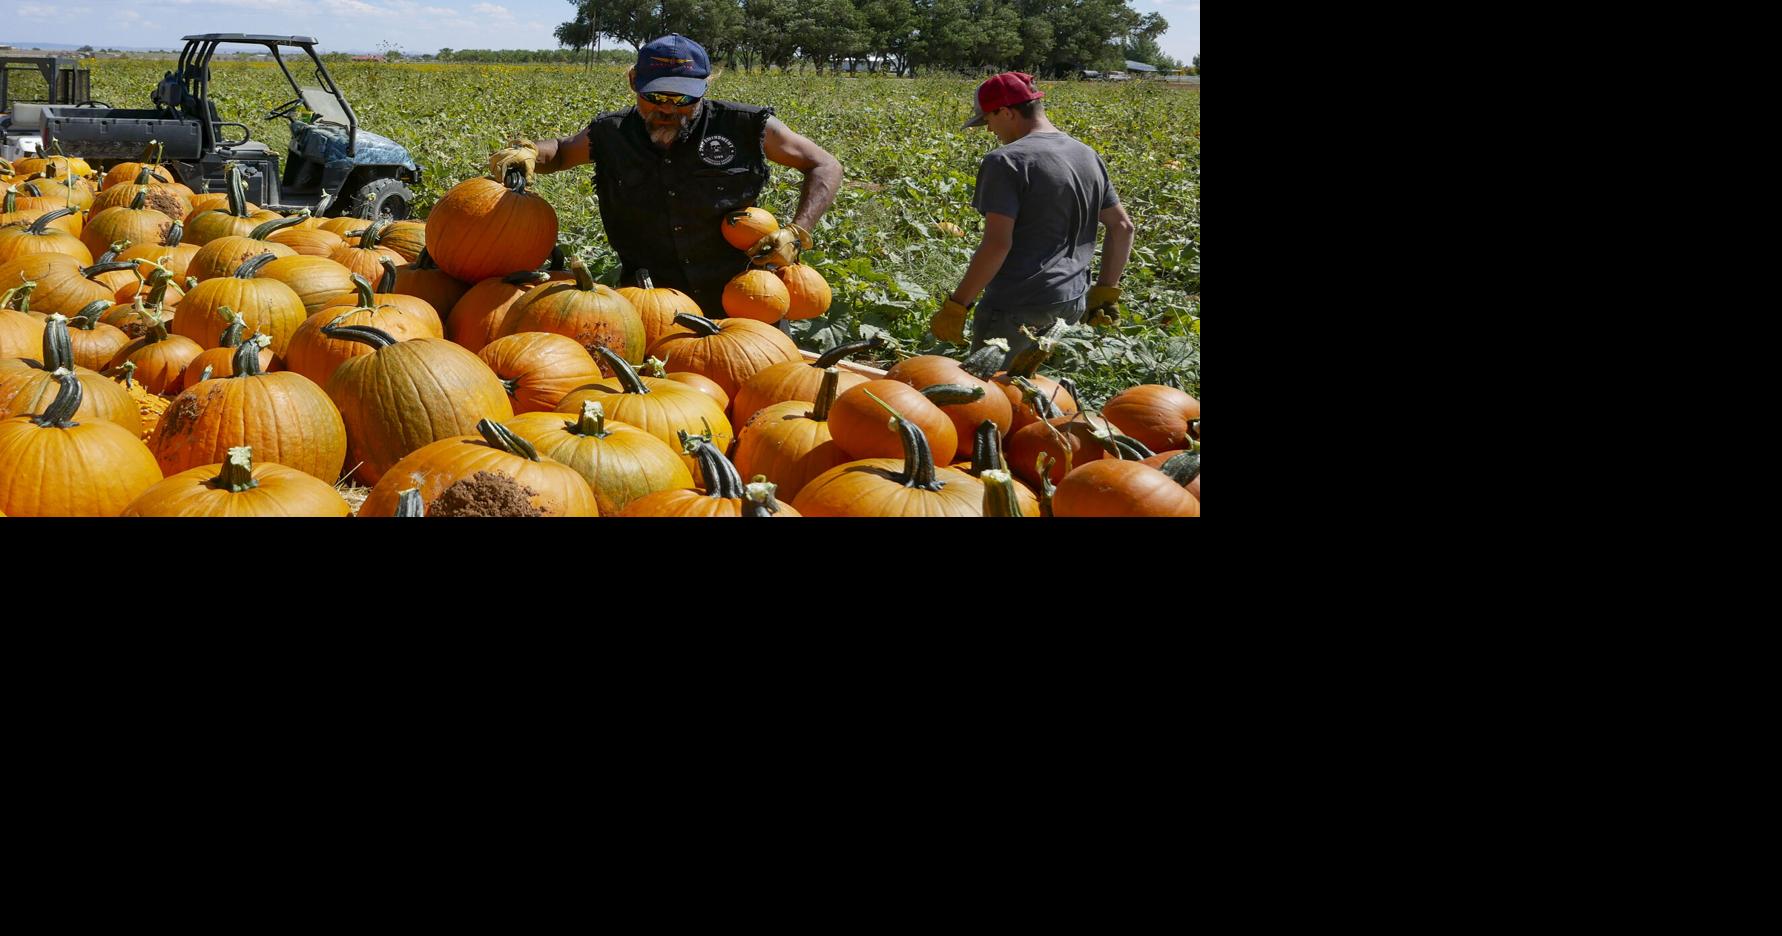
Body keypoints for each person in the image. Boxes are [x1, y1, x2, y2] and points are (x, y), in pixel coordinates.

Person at [488, 34, 843, 318]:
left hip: (745, 300)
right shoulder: (612, 134)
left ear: (706, 86)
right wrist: (531, 151)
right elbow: (562, 151)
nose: (668, 109)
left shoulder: (745, 126)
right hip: (650, 306)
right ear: (633, 82)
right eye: (655, 95)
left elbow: (825, 165)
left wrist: (797, 233)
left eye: (684, 98)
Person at [929, 72, 1135, 354]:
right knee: (1036, 390)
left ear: (1006, 112)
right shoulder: (1086, 154)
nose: (989, 130)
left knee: (992, 392)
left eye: (988, 119)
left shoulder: (1006, 161)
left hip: (1018, 304)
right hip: (1072, 300)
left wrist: (958, 305)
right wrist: (1106, 292)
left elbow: (997, 244)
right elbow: (1122, 227)